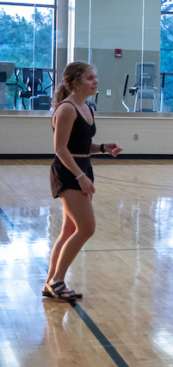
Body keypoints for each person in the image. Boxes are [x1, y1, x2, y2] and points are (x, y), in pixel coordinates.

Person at [45, 62, 123, 301]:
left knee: (69, 229)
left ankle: (50, 282)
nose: (96, 81)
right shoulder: (67, 109)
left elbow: (79, 145)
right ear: (76, 82)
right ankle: (57, 281)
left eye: (96, 77)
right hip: (69, 173)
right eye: (90, 78)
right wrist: (79, 176)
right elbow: (60, 148)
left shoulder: (88, 107)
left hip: (82, 168)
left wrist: (102, 147)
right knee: (87, 228)